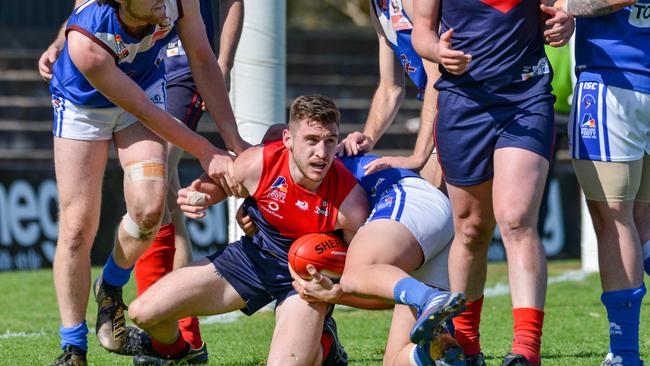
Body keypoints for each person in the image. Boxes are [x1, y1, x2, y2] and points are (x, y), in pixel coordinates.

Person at [44, 1, 248, 365]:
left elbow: (202, 60)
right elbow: (143, 110)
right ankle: (73, 347)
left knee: (151, 208)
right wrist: (206, 151)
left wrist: (234, 143)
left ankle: (109, 285)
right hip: (83, 105)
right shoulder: (86, 42)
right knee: (77, 225)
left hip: (144, 87)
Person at [410, 2, 574, 365]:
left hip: (525, 97)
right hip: (462, 102)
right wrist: (436, 50)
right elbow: (421, 30)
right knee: (470, 228)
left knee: (516, 218)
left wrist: (565, 23)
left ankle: (526, 350)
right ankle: (467, 347)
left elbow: (558, 10)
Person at [285, 149, 465, 366]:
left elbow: (272, 142)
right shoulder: (309, 167)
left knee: (355, 273)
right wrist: (335, 295)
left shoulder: (320, 168)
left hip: (407, 197)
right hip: (427, 226)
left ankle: (429, 299)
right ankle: (435, 352)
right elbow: (385, 295)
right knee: (395, 360)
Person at [548, 0, 648, 365]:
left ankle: (624, 354)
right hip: (636, 80)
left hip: (612, 81)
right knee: (640, 226)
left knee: (613, 220)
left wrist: (569, 7)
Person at [337, 0, 444, 191]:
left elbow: (437, 80)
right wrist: (367, 138)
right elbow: (390, 88)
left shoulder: (411, 3)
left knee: (443, 206)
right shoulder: (377, 7)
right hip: (446, 109)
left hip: (466, 104)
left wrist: (417, 157)